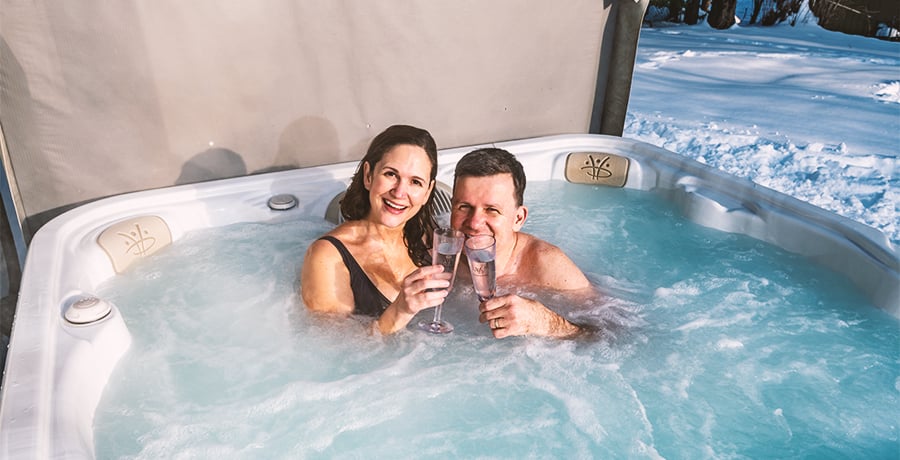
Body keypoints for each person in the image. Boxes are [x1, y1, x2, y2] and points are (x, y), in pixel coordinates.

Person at [301, 125, 453, 334]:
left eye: (415, 182)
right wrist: (400, 310)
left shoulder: (429, 238)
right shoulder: (327, 256)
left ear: (427, 192)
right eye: (391, 174)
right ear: (368, 175)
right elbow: (333, 351)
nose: (400, 192)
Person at [450, 147, 594, 339]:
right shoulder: (440, 254)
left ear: (518, 218)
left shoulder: (548, 265)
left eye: (492, 210)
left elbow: (609, 337)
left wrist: (546, 323)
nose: (474, 223)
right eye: (464, 207)